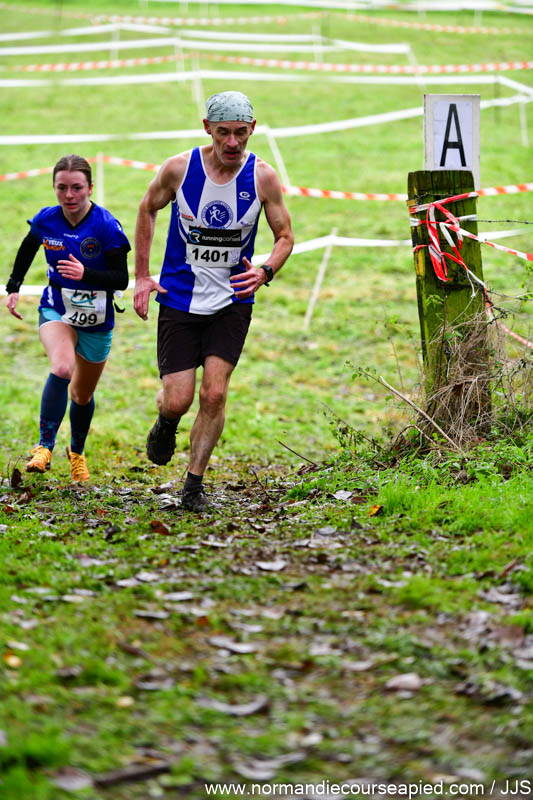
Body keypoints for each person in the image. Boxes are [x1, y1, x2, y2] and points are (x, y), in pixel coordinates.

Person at [134, 90, 294, 512]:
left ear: (252, 129)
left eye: (241, 133)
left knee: (214, 394)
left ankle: (193, 485)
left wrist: (265, 271)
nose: (232, 143)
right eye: (223, 132)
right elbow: (147, 208)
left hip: (233, 299)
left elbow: (284, 237)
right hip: (179, 297)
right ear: (207, 128)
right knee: (178, 399)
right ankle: (166, 421)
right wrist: (142, 275)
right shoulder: (179, 169)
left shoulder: (263, 178)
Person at [5, 154, 130, 482]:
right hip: (57, 308)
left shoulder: (106, 226)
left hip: (97, 319)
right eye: (62, 188)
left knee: (82, 395)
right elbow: (28, 247)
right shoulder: (47, 220)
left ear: (90, 188)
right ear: (54, 188)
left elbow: (121, 279)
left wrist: (85, 273)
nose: (69, 195)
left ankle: (76, 453)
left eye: (77, 187)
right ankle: (44, 447)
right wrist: (14, 286)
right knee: (61, 367)